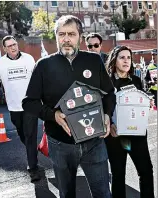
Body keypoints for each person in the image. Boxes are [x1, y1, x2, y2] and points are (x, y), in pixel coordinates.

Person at [22, 15, 116, 198]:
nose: (66, 39)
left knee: (103, 193)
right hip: (60, 143)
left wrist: (107, 115)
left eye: (71, 34)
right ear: (56, 36)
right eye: (61, 34)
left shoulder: (93, 61)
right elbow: (29, 102)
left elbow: (109, 93)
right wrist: (53, 115)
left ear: (80, 37)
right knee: (67, 194)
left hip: (94, 142)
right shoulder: (43, 65)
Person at [0, 35, 42, 182]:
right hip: (14, 107)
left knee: (30, 136)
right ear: (5, 49)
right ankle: (32, 154)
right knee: (23, 134)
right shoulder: (1, 63)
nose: (13, 47)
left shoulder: (28, 59)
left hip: (30, 105)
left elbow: (37, 80)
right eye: (9, 46)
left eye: (14, 44)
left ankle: (33, 167)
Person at [105, 45, 154, 198]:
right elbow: (101, 107)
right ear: (114, 60)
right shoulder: (107, 82)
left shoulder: (136, 80)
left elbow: (140, 101)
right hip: (116, 136)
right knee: (118, 175)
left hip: (137, 135)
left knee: (146, 171)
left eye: (128, 57)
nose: (126, 61)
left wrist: (147, 104)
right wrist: (109, 124)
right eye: (122, 57)